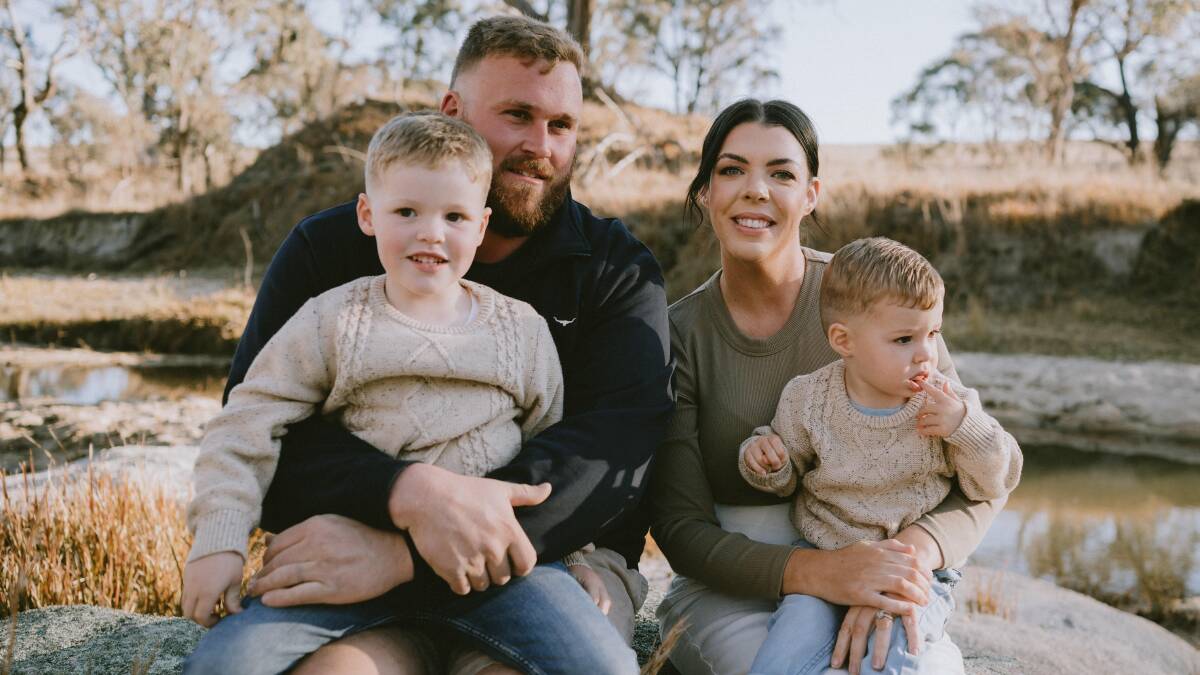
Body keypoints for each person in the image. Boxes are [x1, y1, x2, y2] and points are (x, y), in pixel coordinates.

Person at [185, 15, 672, 675]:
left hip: (516, 565)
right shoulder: (328, 258)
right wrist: (405, 493)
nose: (542, 145)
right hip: (347, 562)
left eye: (562, 125)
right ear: (453, 111)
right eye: (517, 115)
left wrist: (410, 551)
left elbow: (606, 449)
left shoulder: (612, 270)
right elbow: (260, 427)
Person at [650, 99, 1006, 675]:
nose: (756, 190)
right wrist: (825, 574)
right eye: (732, 170)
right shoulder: (677, 334)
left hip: (892, 560)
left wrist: (896, 563)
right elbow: (679, 528)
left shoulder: (873, 299)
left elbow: (982, 478)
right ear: (706, 192)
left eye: (782, 173)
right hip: (735, 586)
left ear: (811, 193)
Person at [737, 236, 1023, 674]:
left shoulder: (946, 405)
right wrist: (766, 460)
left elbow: (994, 481)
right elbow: (787, 474)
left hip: (913, 571)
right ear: (843, 340)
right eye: (905, 338)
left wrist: (965, 427)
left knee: (895, 655)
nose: (927, 353)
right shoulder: (808, 399)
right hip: (827, 561)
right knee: (781, 661)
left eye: (934, 333)